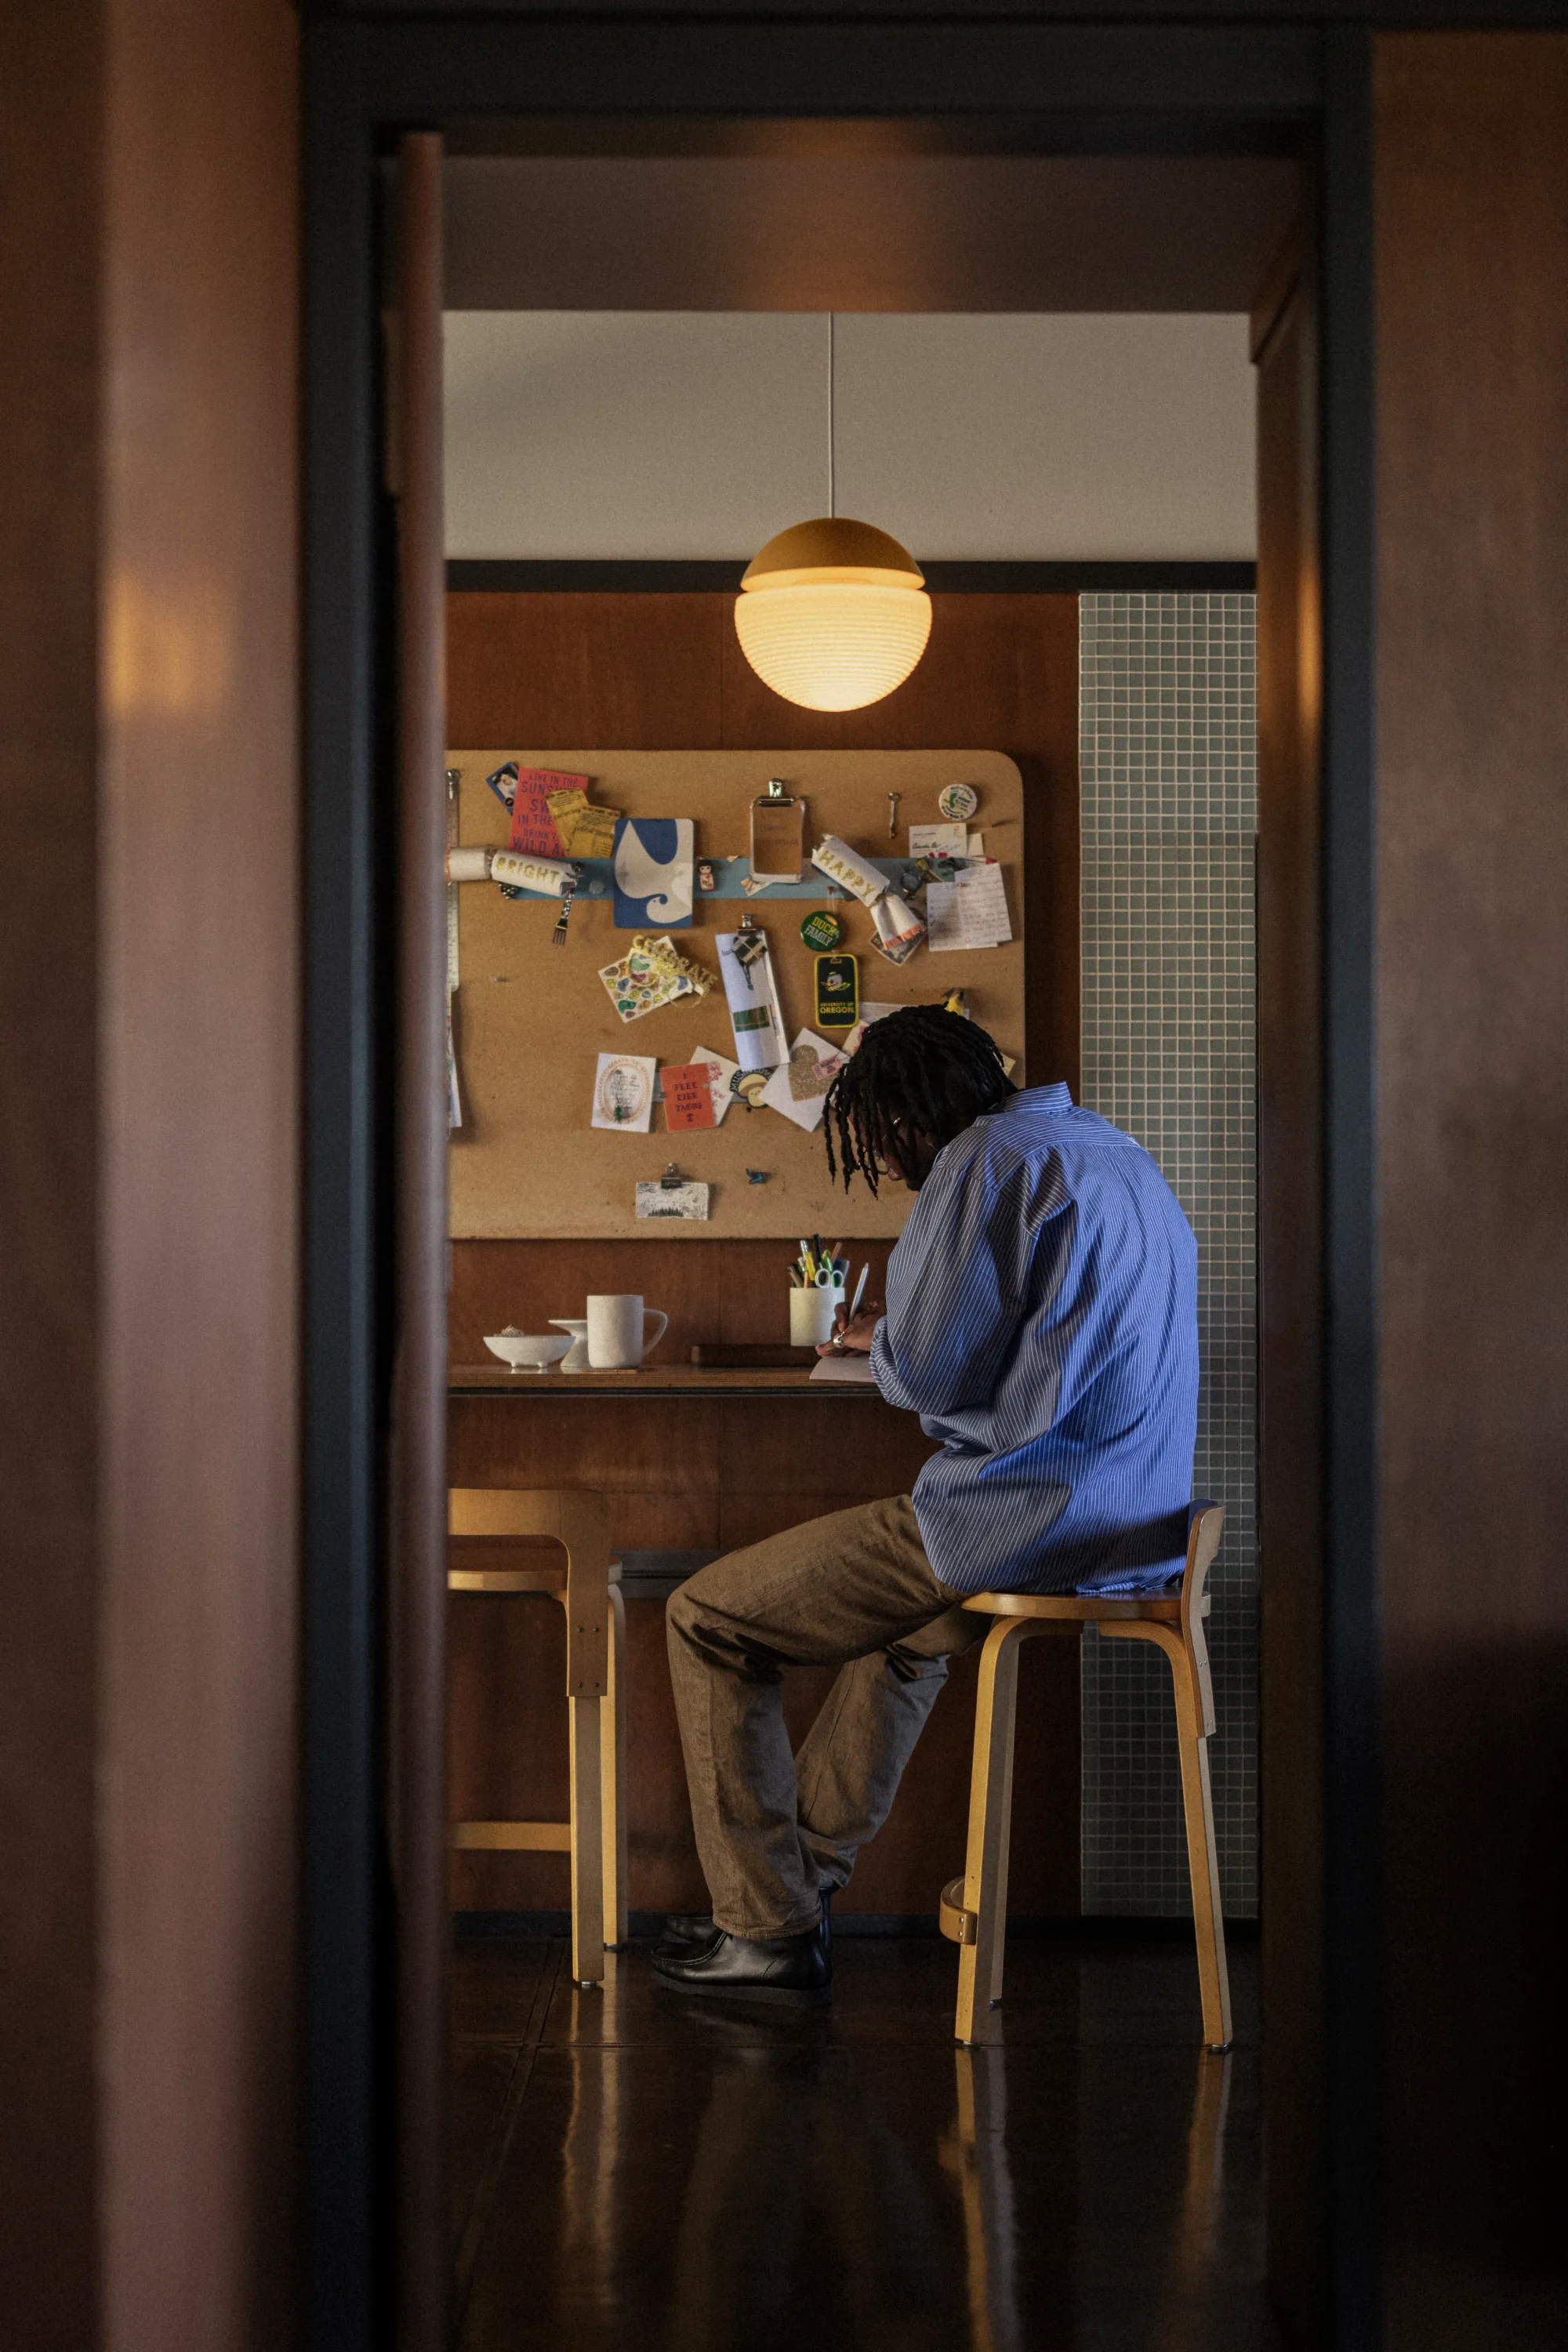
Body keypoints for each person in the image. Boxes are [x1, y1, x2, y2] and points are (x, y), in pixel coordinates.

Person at [653, 1007, 1198, 2005]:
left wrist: (881, 1345)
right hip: (1129, 1521)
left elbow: (936, 1372)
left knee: (704, 1618)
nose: (889, 1165)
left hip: (1022, 1520)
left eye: (878, 1141)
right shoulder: (1106, 1147)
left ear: (906, 1117)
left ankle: (762, 1929)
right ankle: (792, 1897)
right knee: (901, 1637)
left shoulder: (983, 1161)